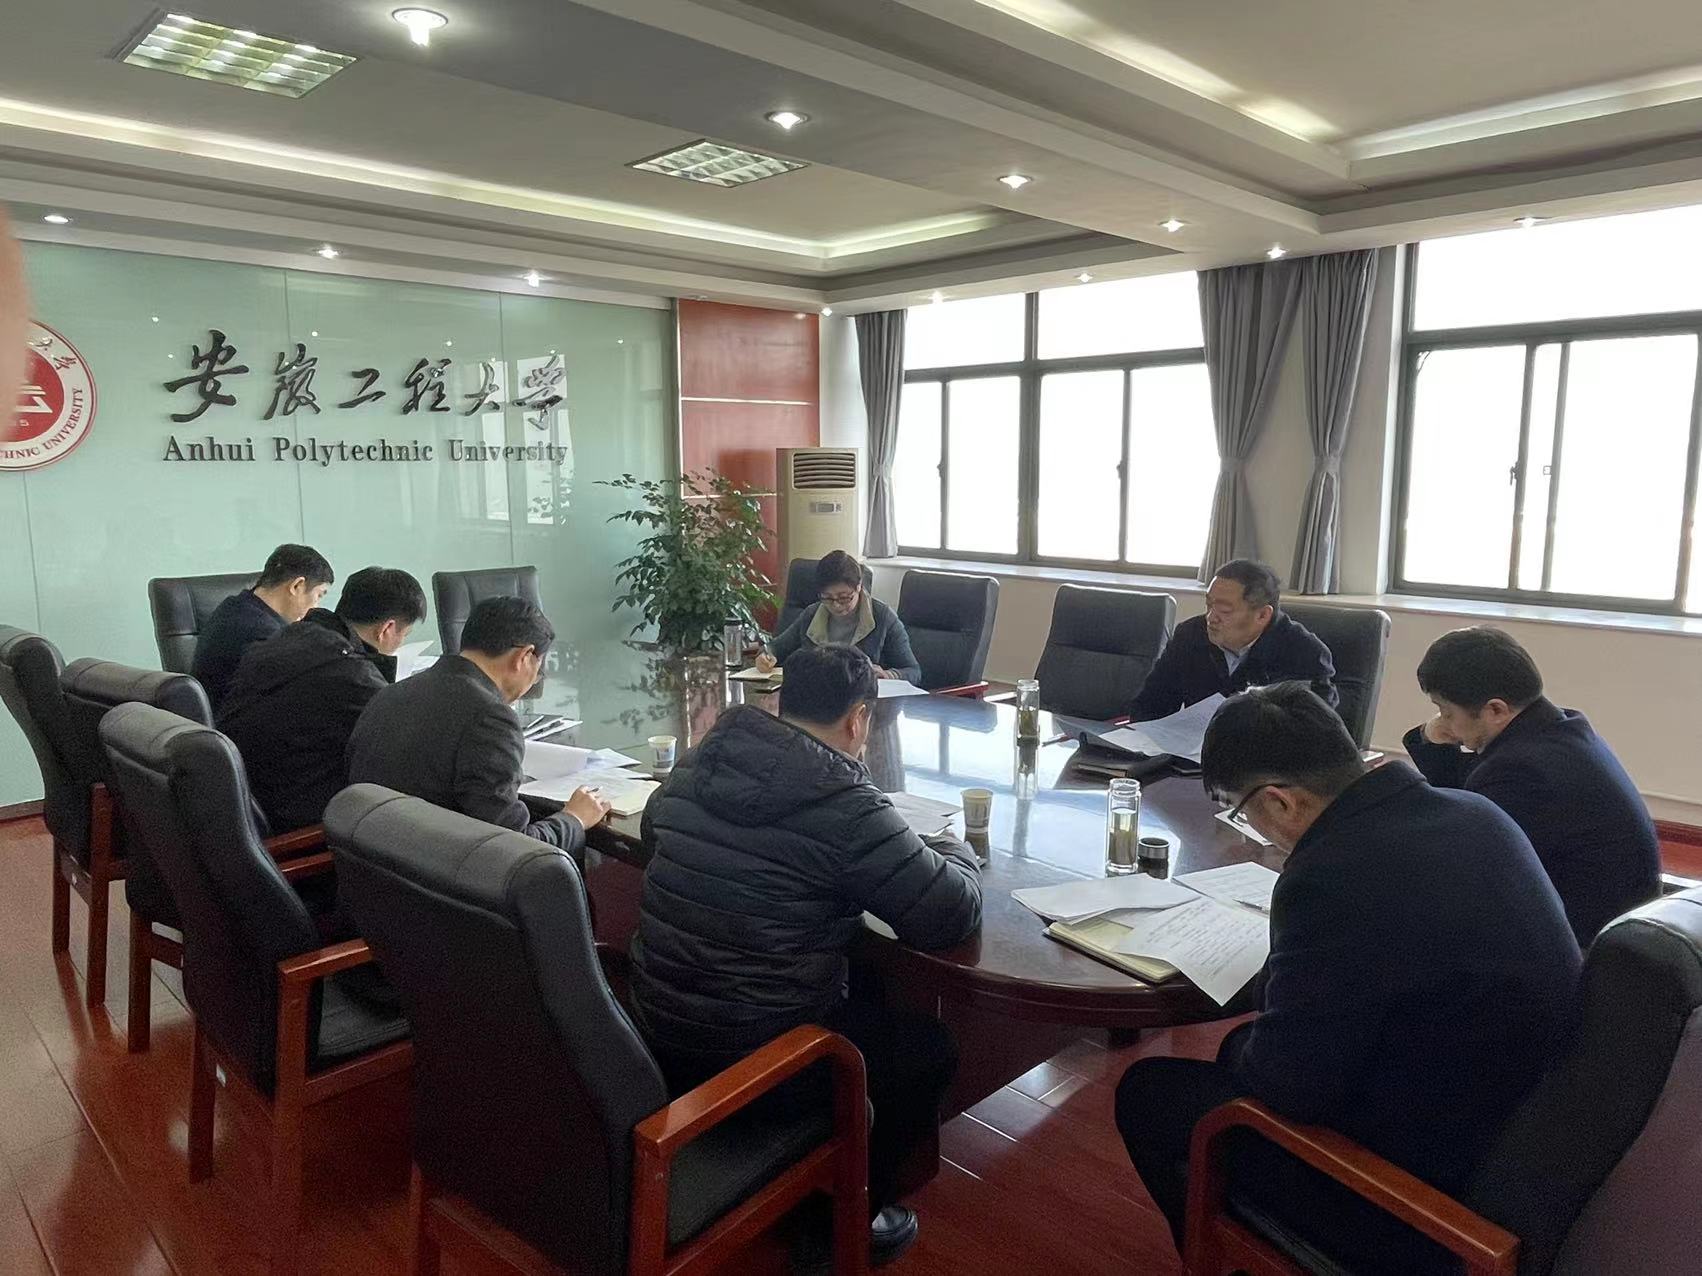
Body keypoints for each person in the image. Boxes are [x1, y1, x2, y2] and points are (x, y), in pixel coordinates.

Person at [1117, 682, 1580, 1272]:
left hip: (1421, 1196)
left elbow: (1289, 1089)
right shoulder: (1476, 813)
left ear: (1280, 802)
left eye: (1240, 809)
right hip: (1517, 1126)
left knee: (1150, 1093)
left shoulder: (1331, 878)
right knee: (1240, 1046)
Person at [630, 644, 981, 1265]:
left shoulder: (703, 758)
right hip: (752, 1060)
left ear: (780, 702)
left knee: (865, 980)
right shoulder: (847, 803)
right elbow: (948, 914)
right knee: (928, 1050)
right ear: (859, 720)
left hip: (651, 1027)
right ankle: (837, 1227)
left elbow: (654, 830)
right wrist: (955, 849)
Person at [1403, 626, 1660, 945]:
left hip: (1586, 945)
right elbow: (1468, 802)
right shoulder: (1560, 728)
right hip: (1624, 923)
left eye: (1445, 711)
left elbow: (1465, 860)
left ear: (1495, 710)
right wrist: (1432, 740)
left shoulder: (1519, 771)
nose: (1442, 721)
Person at [346, 595, 608, 853]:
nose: (534, 680)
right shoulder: (490, 716)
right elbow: (514, 845)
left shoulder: (390, 693)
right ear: (525, 656)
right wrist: (574, 819)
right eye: (538, 669)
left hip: (376, 863)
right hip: (441, 871)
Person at [218, 567, 428, 833]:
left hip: (242, 802)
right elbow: (407, 748)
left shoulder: (288, 635)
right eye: (404, 635)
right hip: (297, 824)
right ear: (387, 629)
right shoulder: (354, 677)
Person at [1130, 559, 1335, 721]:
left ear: (1262, 615)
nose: (1211, 618)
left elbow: (1311, 734)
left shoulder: (1304, 653)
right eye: (1209, 605)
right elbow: (1149, 707)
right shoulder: (1190, 635)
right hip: (1192, 756)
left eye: (1224, 610)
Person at [192, 544, 335, 709]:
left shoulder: (233, 606)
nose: (316, 607)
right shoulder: (266, 636)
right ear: (297, 586)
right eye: (319, 595)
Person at [759, 550, 921, 684]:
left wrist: (890, 675)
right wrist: (766, 657)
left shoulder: (883, 617)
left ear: (859, 587)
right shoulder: (811, 614)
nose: (836, 605)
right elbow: (775, 648)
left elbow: (913, 671)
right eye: (828, 598)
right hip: (818, 698)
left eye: (844, 598)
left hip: (863, 702)